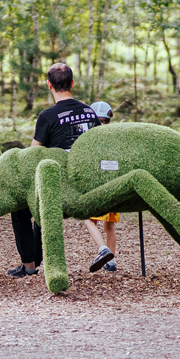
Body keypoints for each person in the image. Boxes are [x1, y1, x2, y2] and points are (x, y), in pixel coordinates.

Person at [7, 63, 109, 278]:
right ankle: (35, 261)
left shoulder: (47, 116)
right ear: (72, 83)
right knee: (40, 198)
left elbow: (34, 153)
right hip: (89, 182)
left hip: (60, 186)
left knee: (22, 206)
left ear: (49, 85)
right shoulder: (90, 112)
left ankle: (29, 265)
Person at [86, 100, 118, 272]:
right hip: (113, 186)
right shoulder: (114, 137)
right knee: (109, 225)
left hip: (97, 187)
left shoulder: (90, 138)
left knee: (89, 219)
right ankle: (111, 261)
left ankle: (103, 250)